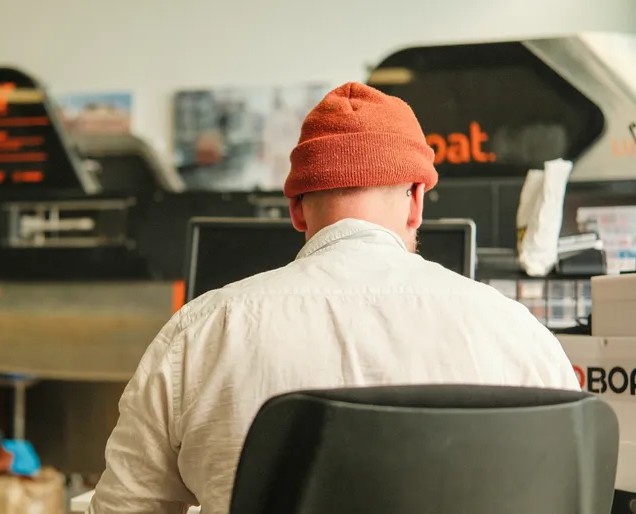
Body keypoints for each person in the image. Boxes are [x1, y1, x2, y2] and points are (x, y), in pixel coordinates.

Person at [86, 82, 579, 514]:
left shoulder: (200, 333)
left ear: (297, 209)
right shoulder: (517, 333)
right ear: (416, 201)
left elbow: (125, 507)